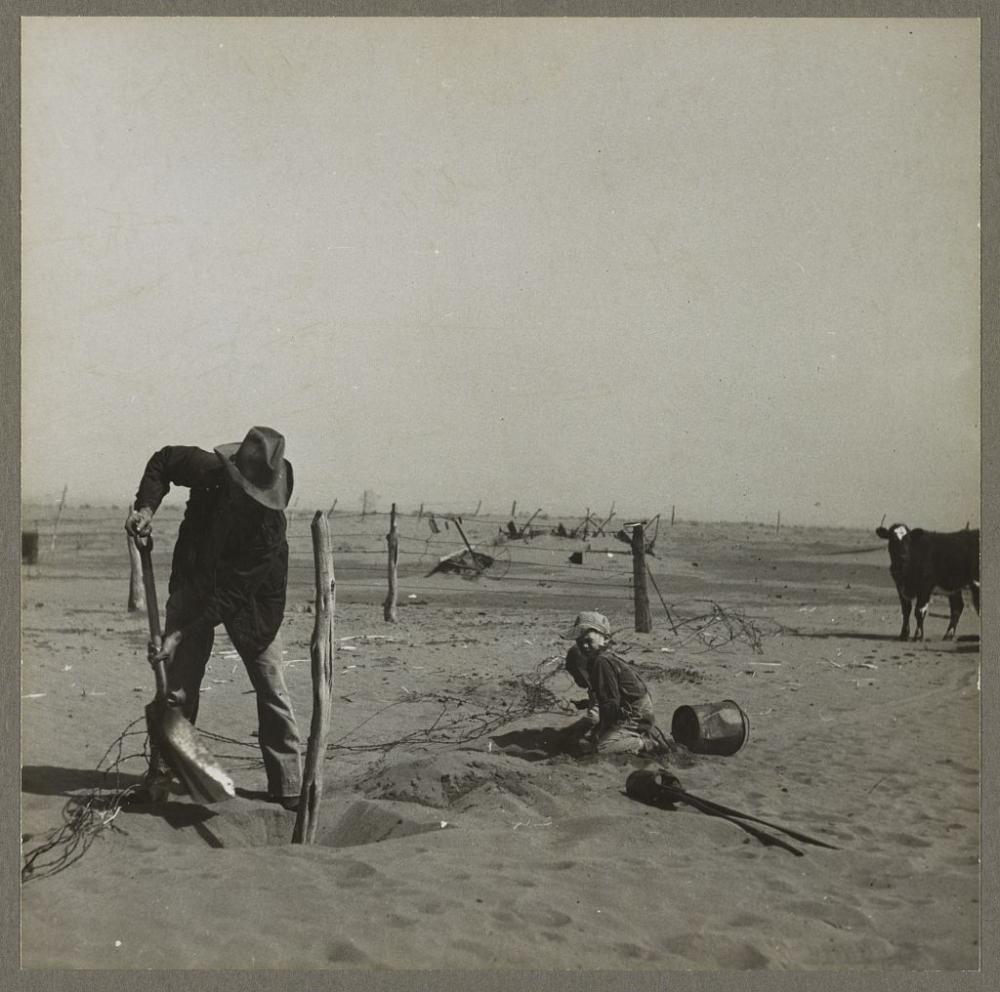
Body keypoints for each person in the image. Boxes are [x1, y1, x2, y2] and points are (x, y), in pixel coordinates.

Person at [124, 426, 302, 809]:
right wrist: (145, 507)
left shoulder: (269, 529)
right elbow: (163, 460)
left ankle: (288, 786)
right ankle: (165, 773)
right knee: (177, 689)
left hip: (253, 600)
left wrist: (181, 633)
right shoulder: (207, 470)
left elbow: (232, 594)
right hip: (195, 580)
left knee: (272, 689)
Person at [560, 611, 660, 756]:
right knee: (595, 737)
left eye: (588, 641)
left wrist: (601, 731)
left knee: (602, 747)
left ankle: (646, 742)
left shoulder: (602, 662)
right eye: (580, 642)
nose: (585, 646)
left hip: (636, 713)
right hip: (629, 709)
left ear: (605, 639)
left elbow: (610, 702)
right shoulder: (599, 660)